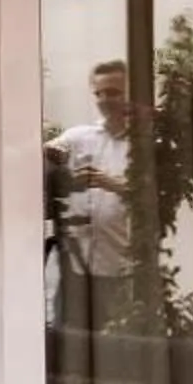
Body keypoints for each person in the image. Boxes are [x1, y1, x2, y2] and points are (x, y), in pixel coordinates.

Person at [50, 60, 135, 328]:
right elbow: (40, 155)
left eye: (113, 92)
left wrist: (111, 183)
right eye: (99, 93)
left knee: (114, 351)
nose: (104, 100)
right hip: (75, 269)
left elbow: (152, 194)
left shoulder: (144, 145)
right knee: (68, 344)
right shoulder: (78, 137)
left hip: (119, 271)